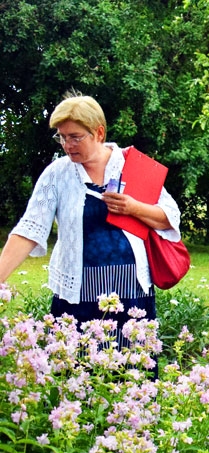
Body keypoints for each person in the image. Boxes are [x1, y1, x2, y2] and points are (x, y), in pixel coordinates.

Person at [0, 92, 181, 342]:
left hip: (131, 291)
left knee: (132, 368)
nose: (67, 145)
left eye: (75, 137)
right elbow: (29, 229)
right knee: (76, 369)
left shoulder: (132, 165)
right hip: (77, 293)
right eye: (62, 137)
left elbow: (169, 219)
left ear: (99, 133)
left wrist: (133, 208)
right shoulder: (57, 174)